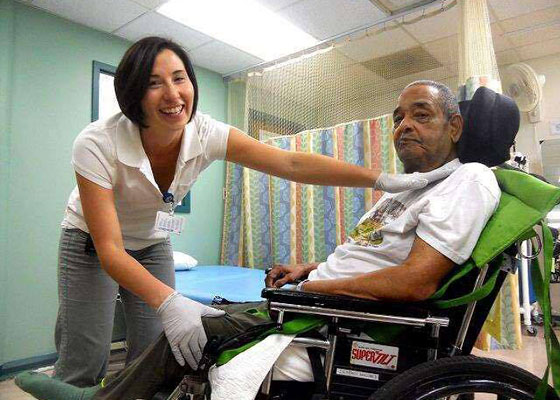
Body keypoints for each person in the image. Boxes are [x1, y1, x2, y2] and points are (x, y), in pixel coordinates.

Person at [16, 79, 501, 400]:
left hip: (333, 316)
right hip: (102, 244)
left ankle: (102, 398)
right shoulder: (412, 189)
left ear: (455, 125)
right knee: (188, 327)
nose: (403, 127)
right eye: (399, 118)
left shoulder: (468, 180)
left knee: (197, 330)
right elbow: (374, 251)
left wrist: (315, 289)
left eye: (421, 115)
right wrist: (312, 269)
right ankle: (100, 388)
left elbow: (417, 281)